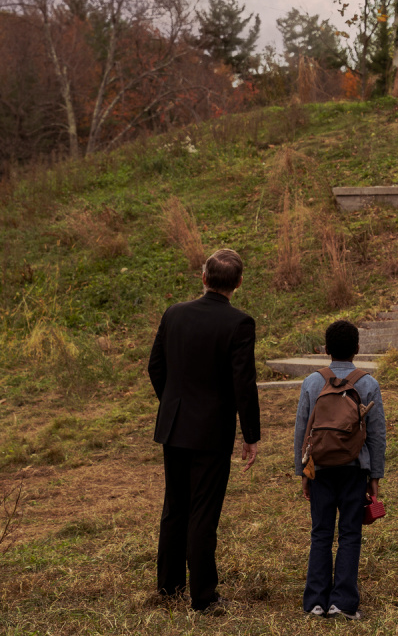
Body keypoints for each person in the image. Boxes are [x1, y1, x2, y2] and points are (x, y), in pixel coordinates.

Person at [148, 248, 261, 613]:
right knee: (204, 512)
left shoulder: (174, 313)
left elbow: (155, 367)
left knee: (175, 506)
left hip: (174, 424)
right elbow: (243, 383)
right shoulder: (239, 323)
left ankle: (168, 586)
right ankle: (204, 596)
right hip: (211, 431)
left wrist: (171, 403)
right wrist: (251, 434)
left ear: (203, 277)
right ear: (239, 283)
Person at [293, 319, 386, 620]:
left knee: (320, 533)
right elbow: (377, 434)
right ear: (357, 349)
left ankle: (315, 603)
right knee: (350, 533)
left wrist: (302, 472)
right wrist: (375, 476)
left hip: (319, 468)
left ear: (327, 349)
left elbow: (301, 430)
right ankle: (342, 603)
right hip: (354, 469)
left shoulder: (312, 382)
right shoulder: (368, 384)